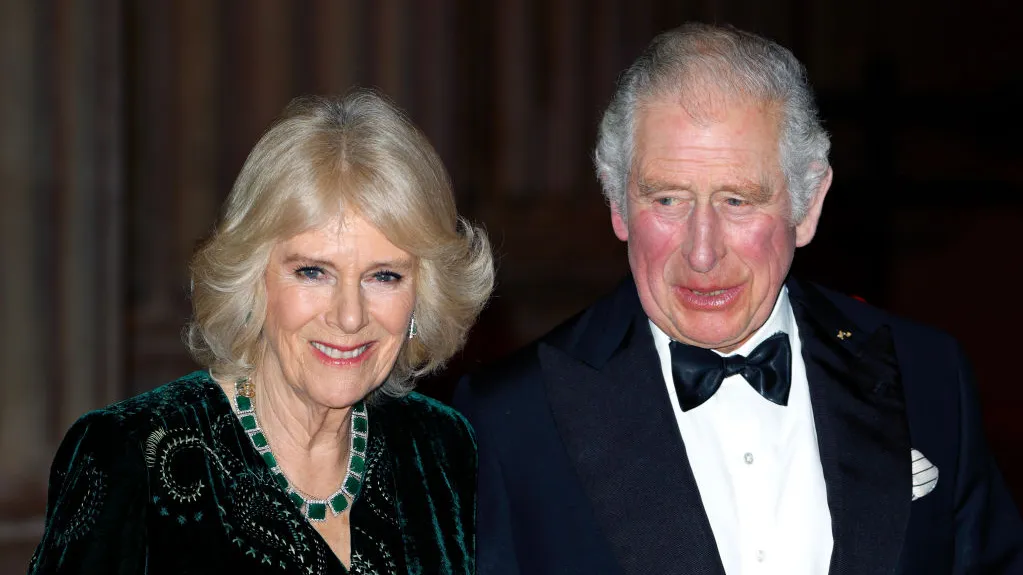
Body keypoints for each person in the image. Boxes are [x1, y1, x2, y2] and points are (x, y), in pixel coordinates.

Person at [454, 22, 1023, 575]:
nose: (703, 253)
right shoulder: (509, 420)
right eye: (668, 200)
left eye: (738, 201)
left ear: (808, 204)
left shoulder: (927, 375)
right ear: (617, 204)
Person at [30, 90, 494, 574]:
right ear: (254, 280)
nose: (350, 317)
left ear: (423, 292)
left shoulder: (439, 448)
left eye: (384, 276)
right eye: (313, 272)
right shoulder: (130, 456)